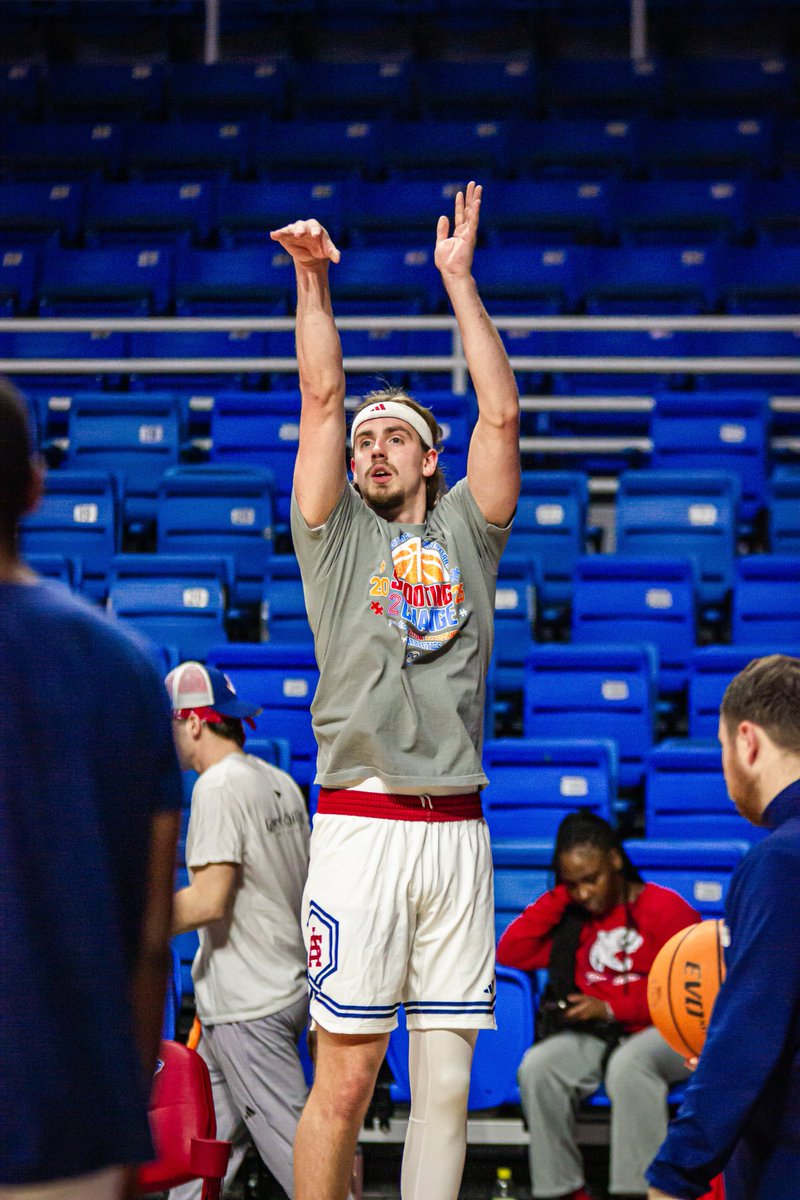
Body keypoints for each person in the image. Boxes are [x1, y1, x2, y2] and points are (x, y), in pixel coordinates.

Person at [269, 179, 520, 1200]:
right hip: (363, 825)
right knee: (345, 1078)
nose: (368, 447)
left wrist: (457, 281)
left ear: (428, 459)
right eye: (361, 439)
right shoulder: (332, 541)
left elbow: (500, 411)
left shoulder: (465, 529)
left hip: (456, 827)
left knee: (450, 1086)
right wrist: (312, 283)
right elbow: (320, 398)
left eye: (390, 438)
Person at [0, 377, 183, 1200]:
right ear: (35, 485)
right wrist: (124, 1113)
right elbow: (150, 932)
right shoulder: (126, 667)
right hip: (77, 1113)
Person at [647, 654, 800, 1200]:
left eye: (719, 748)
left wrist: (674, 1175)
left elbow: (749, 1039)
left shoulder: (778, 862)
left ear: (747, 741)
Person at [497, 811, 700, 1200]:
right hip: (600, 1035)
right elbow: (512, 951)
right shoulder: (574, 920)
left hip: (668, 1032)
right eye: (573, 884)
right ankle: (563, 1191)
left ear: (616, 860)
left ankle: (638, 1192)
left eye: (591, 879)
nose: (584, 893)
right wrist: (562, 895)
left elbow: (688, 993)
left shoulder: (666, 909)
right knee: (538, 1068)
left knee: (630, 1064)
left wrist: (609, 1008)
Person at [166, 661, 311, 1200]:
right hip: (274, 989)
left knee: (305, 1158)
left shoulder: (217, 788)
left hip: (250, 1006)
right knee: (196, 1149)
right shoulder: (277, 782)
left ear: (195, 723)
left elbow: (209, 899)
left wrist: (125, 923)